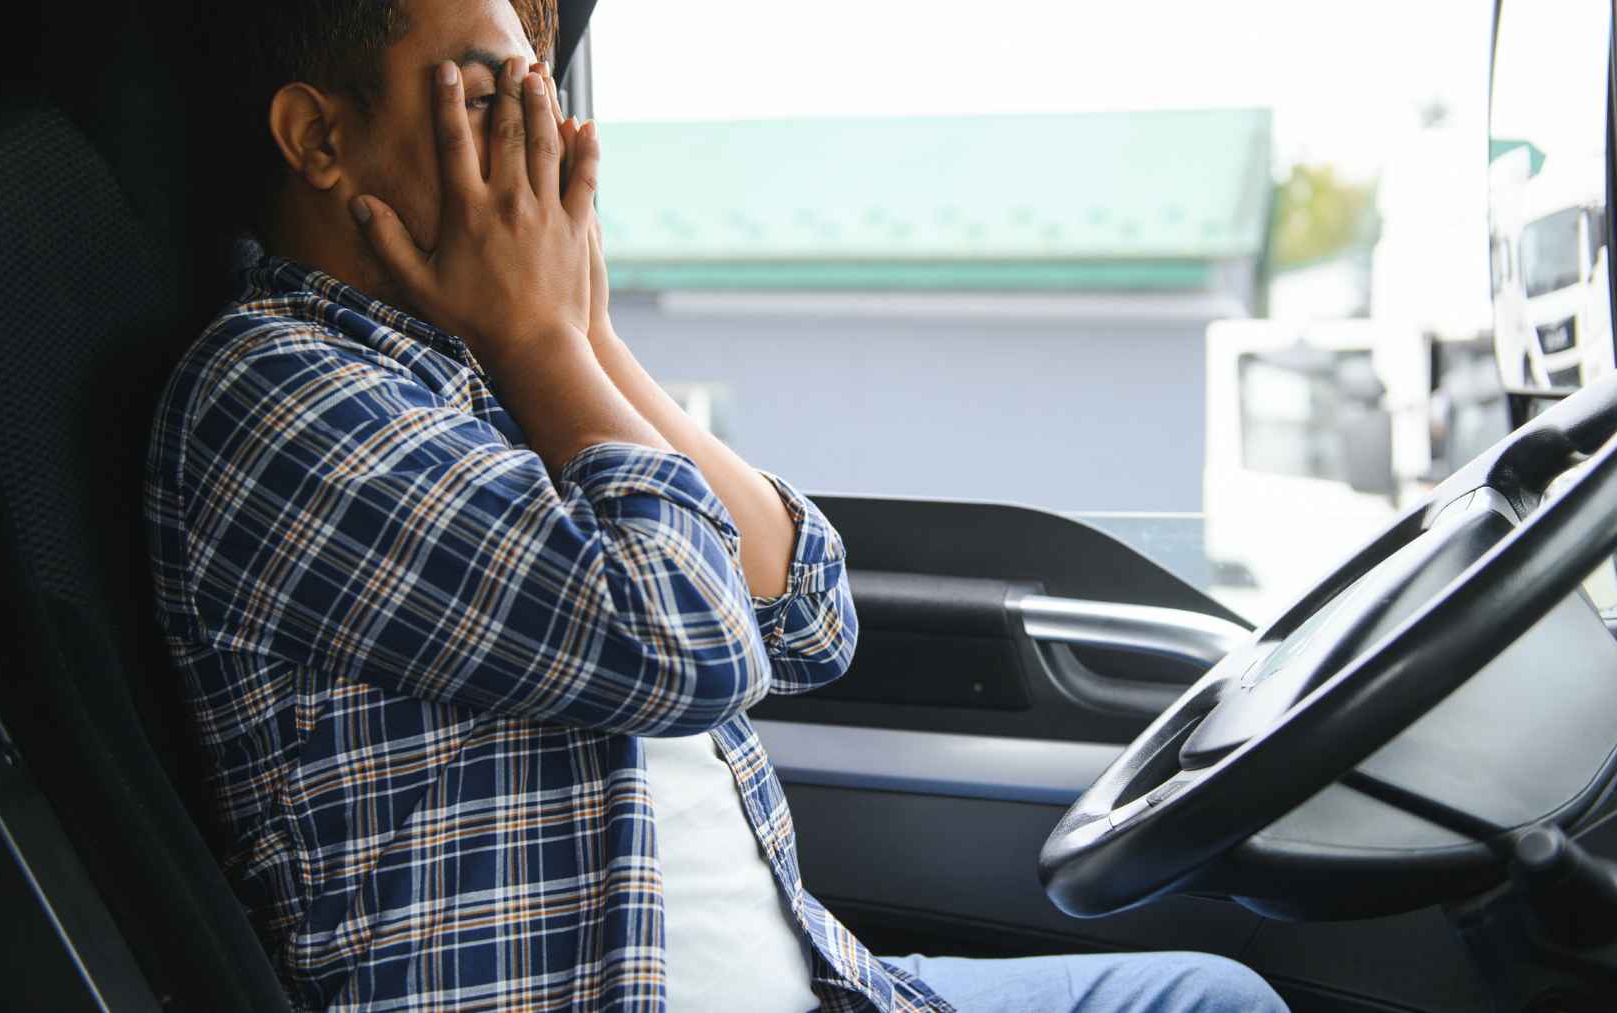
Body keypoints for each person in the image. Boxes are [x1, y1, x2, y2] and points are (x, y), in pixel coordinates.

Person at [146, 1, 1291, 1010]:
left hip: (820, 978)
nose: (536, 153)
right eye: (486, 101)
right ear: (320, 138)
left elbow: (808, 616)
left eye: (540, 104)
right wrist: (542, 338)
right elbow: (686, 649)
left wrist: (587, 334)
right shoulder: (281, 391)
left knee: (1208, 993)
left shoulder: (493, 368)